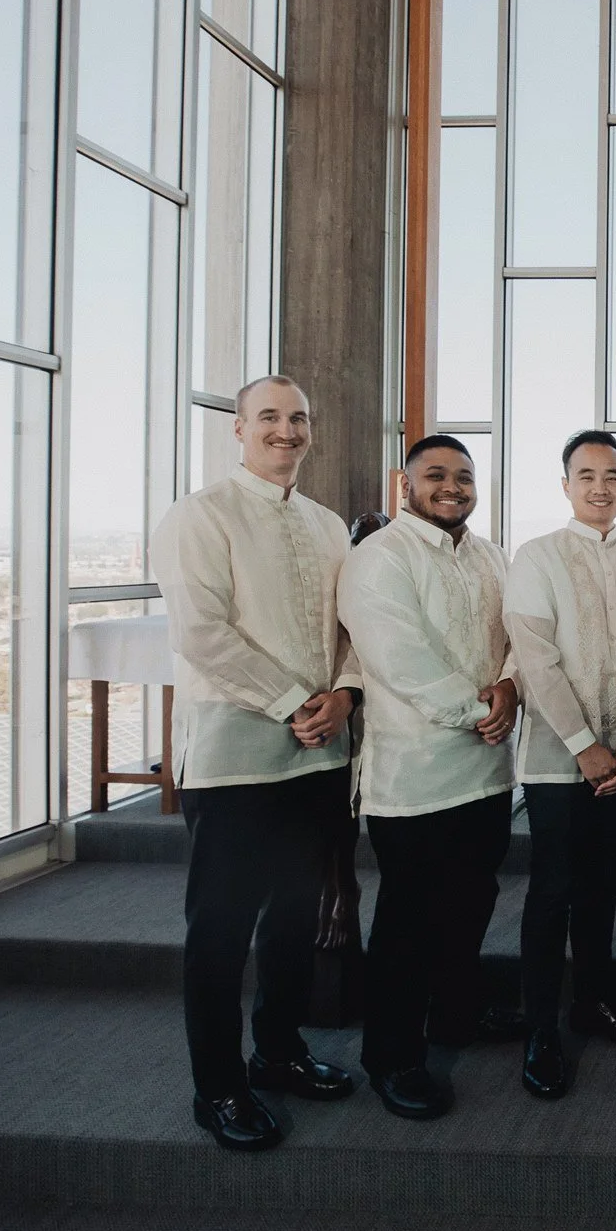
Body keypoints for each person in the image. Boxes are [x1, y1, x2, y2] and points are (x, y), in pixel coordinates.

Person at [149, 375, 361, 1152]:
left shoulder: (328, 524)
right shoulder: (198, 516)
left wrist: (342, 695)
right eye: (268, 417)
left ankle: (278, 1052)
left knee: (296, 922)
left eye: (298, 417)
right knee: (221, 929)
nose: (286, 430)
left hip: (318, 754)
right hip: (236, 754)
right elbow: (199, 632)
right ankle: (219, 1087)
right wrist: (291, 702)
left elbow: (352, 628)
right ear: (237, 430)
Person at [337, 435, 522, 1122]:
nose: (452, 486)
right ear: (405, 485)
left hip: (487, 769)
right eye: (436, 475)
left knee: (471, 903)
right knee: (407, 924)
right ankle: (391, 1057)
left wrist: (507, 685)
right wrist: (481, 709)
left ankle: (455, 1016)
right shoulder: (377, 557)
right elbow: (397, 658)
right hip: (414, 778)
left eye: (464, 476)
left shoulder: (490, 555)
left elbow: (515, 638)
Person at [505, 430, 616, 1101]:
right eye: (587, 475)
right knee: (552, 892)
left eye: (614, 476)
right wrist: (583, 745)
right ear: (565, 484)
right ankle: (541, 1028)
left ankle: (593, 1000)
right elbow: (535, 656)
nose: (602, 487)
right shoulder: (537, 556)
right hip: (555, 759)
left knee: (602, 886)